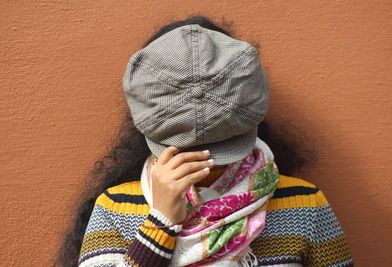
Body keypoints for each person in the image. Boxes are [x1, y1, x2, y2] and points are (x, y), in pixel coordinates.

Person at [54, 16, 353, 267]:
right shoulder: (116, 208)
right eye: (187, 148)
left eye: (221, 148)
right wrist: (160, 225)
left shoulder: (304, 203)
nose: (207, 165)